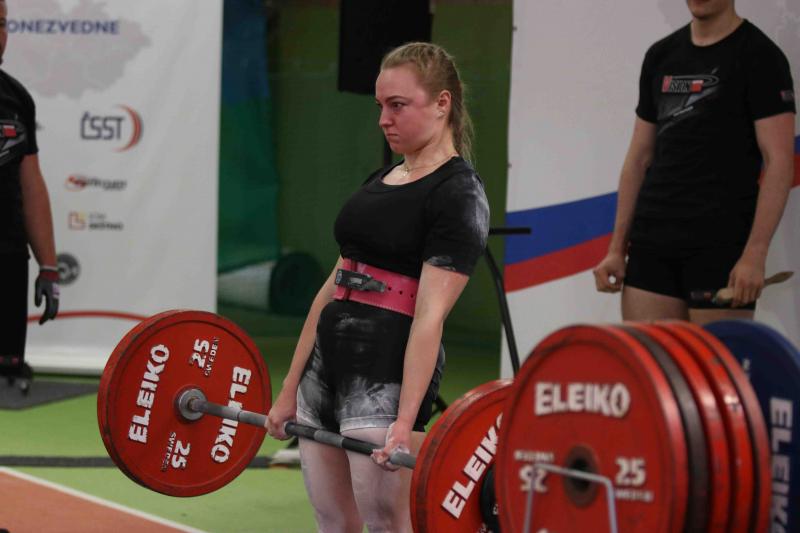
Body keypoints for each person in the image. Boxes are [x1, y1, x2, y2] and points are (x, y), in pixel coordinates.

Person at [265, 42, 490, 532]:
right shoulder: (384, 177)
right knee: (331, 520)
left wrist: (405, 423)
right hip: (327, 365)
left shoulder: (458, 193)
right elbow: (330, 289)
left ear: (442, 103)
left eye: (398, 105)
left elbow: (429, 316)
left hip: (383, 370)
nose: (384, 119)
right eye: (380, 105)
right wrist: (288, 389)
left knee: (387, 522)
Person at [593, 0, 796, 324]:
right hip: (651, 246)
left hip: (719, 249)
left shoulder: (761, 56)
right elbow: (638, 158)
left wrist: (755, 254)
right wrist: (617, 249)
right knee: (652, 359)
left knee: (713, 361)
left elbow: (779, 162)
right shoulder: (660, 55)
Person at [0, 0, 60, 390]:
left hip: (7, 258)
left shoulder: (16, 98)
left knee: (5, 380)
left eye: (2, 24)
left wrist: (49, 267)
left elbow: (31, 184)